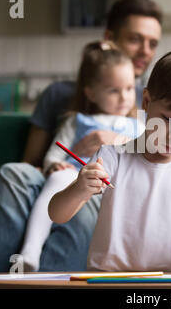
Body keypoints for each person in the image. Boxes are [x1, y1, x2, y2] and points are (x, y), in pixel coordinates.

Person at [0, 0, 162, 272]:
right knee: (12, 173)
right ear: (109, 37)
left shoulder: (147, 102)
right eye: (136, 39)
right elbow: (32, 162)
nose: (145, 51)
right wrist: (69, 156)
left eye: (152, 44)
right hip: (59, 173)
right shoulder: (60, 96)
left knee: (85, 196)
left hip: (107, 184)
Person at [48, 48, 171, 277]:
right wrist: (79, 188)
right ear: (146, 101)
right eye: (167, 119)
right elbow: (57, 213)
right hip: (107, 278)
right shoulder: (112, 157)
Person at [20, 41, 145, 271]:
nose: (124, 97)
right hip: (76, 179)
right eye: (113, 90)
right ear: (91, 93)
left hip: (115, 184)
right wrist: (55, 165)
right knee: (58, 180)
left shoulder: (137, 126)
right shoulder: (76, 121)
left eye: (129, 89)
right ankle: (30, 252)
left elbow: (146, 156)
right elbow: (55, 154)